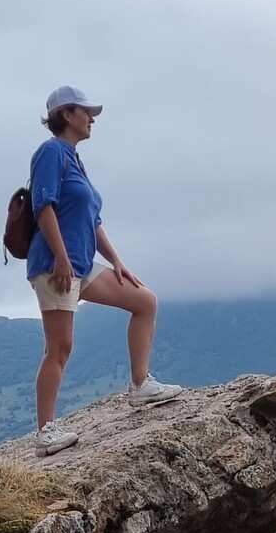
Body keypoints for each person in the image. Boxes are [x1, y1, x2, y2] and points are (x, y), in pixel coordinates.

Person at [26, 84, 182, 456]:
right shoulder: (50, 153)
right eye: (86, 112)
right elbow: (43, 207)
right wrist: (61, 259)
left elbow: (93, 221)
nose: (92, 118)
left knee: (144, 301)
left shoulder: (74, 159)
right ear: (66, 114)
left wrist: (117, 262)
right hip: (56, 266)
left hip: (81, 264)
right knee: (59, 348)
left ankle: (140, 386)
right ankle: (45, 432)